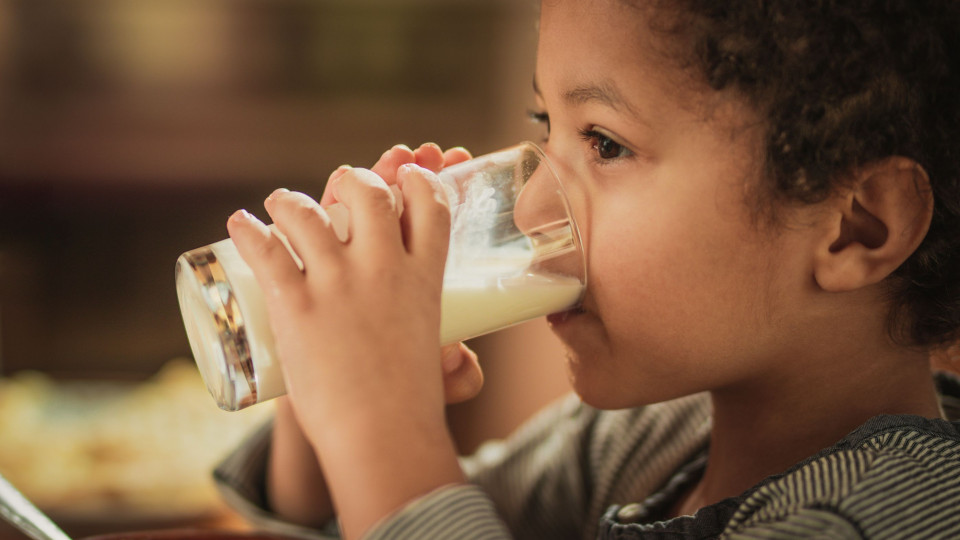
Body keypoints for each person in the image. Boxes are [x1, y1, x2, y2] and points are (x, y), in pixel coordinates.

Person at [213, 1, 960, 538]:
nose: (534, 202)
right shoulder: (647, 439)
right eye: (545, 127)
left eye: (604, 143)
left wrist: (378, 426)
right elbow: (376, 516)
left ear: (856, 227)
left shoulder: (883, 517)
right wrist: (325, 396)